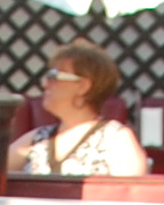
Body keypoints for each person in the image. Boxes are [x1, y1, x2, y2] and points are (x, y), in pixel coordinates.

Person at [9, 41, 147, 178]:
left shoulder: (114, 138)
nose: (45, 84)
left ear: (83, 86)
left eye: (55, 76)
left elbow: (132, 189)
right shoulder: (37, 138)